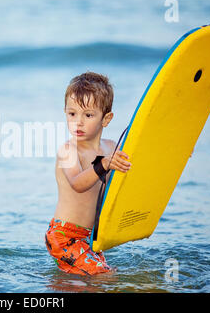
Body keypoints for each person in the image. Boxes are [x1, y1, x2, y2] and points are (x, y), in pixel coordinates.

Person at [45, 72, 132, 275]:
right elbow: (78, 183)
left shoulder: (111, 147)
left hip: (90, 236)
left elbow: (136, 163)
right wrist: (103, 164)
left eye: (88, 115)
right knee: (104, 277)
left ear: (106, 119)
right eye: (72, 114)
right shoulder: (68, 150)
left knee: (93, 279)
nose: (78, 122)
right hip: (63, 234)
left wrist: (171, 152)